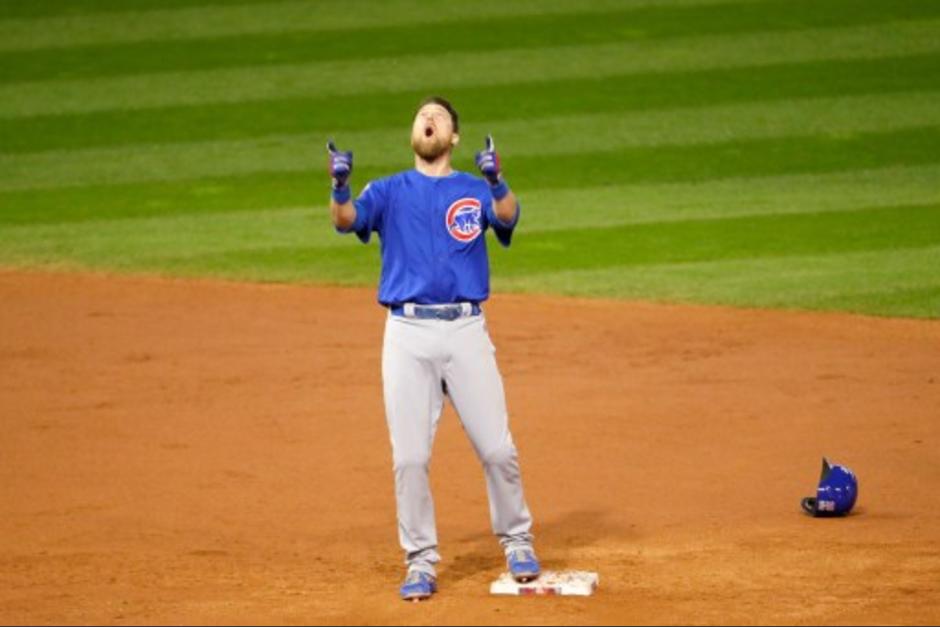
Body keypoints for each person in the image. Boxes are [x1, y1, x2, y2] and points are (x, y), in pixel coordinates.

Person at [326, 96, 540, 601]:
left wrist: (496, 181)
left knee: (497, 448)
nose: (428, 119)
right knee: (410, 458)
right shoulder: (388, 190)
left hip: (465, 330)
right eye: (422, 115)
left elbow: (508, 217)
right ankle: (420, 561)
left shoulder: (473, 189)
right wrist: (339, 187)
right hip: (407, 334)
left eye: (438, 116)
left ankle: (518, 541)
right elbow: (346, 220)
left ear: (453, 137)